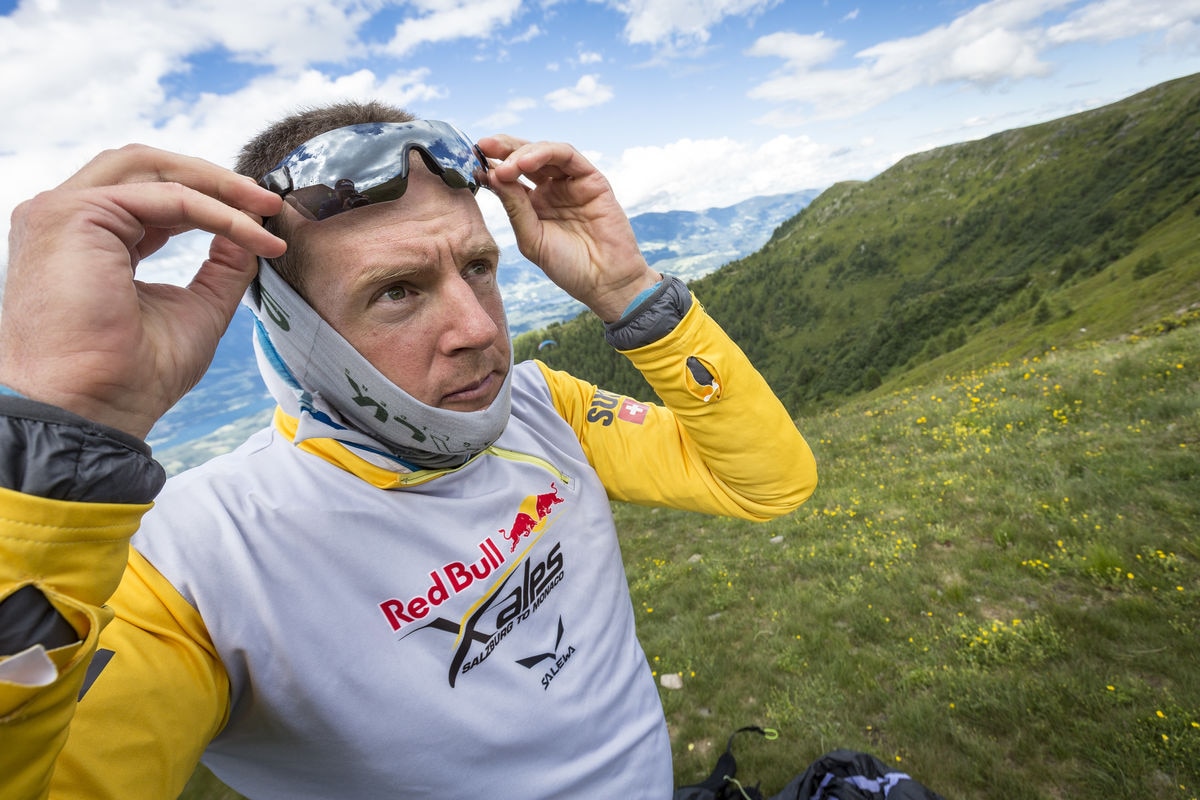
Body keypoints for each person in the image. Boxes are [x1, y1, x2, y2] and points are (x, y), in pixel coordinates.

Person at [0, 101, 817, 799]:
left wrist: (630, 292)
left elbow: (767, 485)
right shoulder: (197, 564)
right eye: (397, 291)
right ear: (293, 326)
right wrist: (58, 424)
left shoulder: (543, 405)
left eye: (478, 266)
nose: (476, 330)